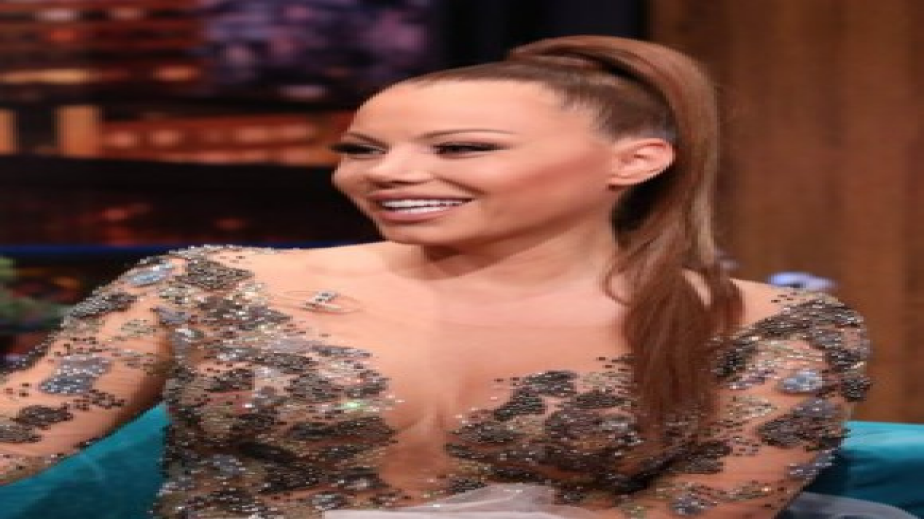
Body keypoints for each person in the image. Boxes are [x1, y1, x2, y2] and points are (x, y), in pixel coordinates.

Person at [0, 35, 892, 518]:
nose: (388, 174)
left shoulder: (770, 327)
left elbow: (711, 509)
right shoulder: (209, 286)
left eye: (461, 148)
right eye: (360, 149)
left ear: (636, 161)